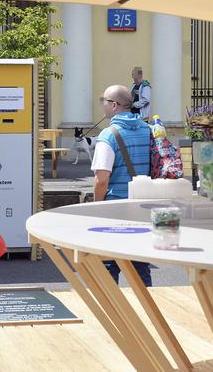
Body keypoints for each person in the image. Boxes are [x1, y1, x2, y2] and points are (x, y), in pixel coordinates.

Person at [92, 85, 153, 286]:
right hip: (142, 207)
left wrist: (96, 207)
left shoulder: (108, 135)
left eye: (104, 100)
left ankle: (111, 313)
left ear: (114, 105)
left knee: (108, 267)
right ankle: (150, 310)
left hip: (114, 209)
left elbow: (101, 180)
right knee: (139, 267)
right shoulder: (148, 130)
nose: (102, 104)